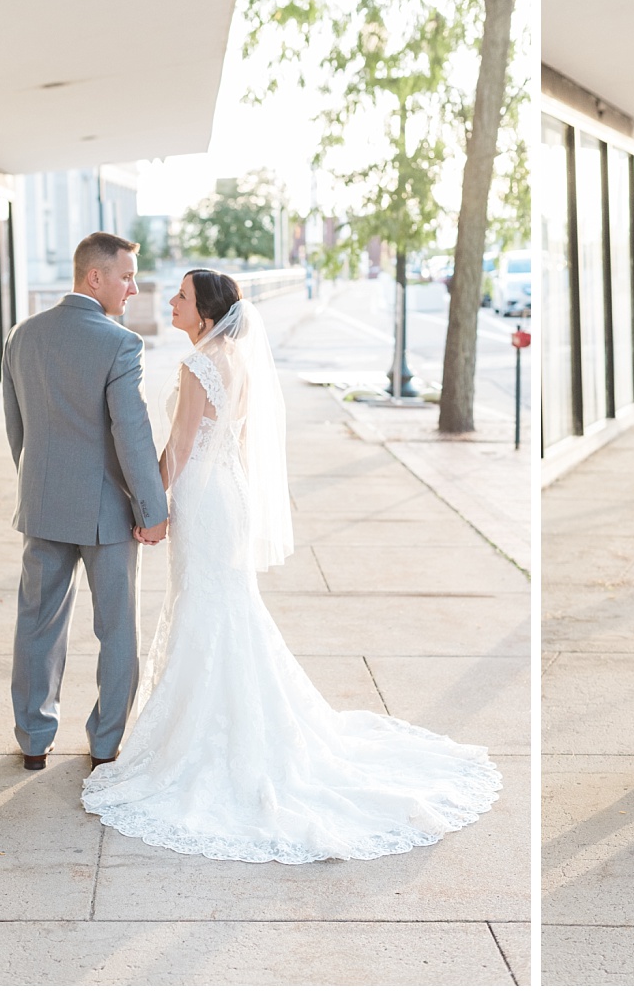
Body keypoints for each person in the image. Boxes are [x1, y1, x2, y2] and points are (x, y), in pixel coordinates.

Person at [81, 269, 501, 863]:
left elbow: (177, 449)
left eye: (181, 297)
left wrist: (148, 505)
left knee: (208, 609)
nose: (170, 302)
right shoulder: (238, 359)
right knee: (226, 609)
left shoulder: (196, 364)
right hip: (230, 493)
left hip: (202, 499)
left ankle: (204, 738)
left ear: (204, 313)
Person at [3, 232, 169, 772]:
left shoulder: (22, 337)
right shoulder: (118, 343)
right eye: (126, 276)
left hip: (43, 505)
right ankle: (105, 745)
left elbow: (16, 429)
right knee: (117, 627)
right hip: (105, 512)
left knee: (37, 623)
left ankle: (33, 738)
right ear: (94, 277)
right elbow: (132, 434)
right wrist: (152, 508)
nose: (134, 287)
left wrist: (38, 484)